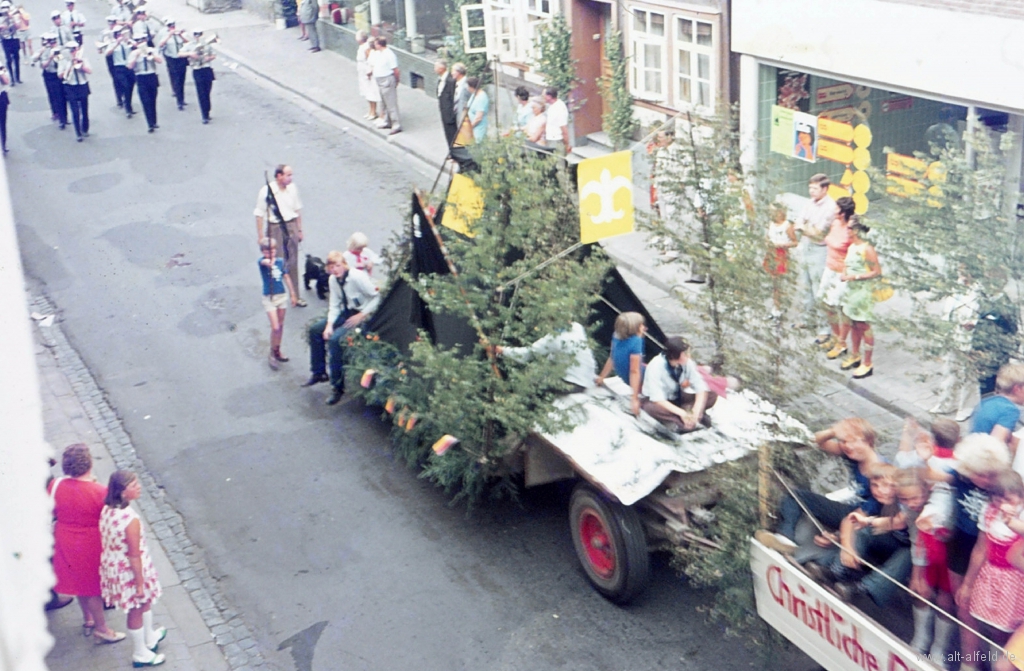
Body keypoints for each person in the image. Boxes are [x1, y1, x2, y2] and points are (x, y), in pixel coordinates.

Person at [919, 433, 1012, 670]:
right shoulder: (960, 477)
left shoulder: (1003, 488)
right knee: (963, 605)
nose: (985, 479)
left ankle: (993, 662)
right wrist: (926, 458)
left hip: (992, 552)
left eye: (990, 473)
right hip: (961, 545)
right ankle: (969, 663)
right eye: (979, 474)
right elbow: (931, 475)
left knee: (996, 618)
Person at [757, 417, 883, 557]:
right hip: (851, 510)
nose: (848, 446)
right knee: (795, 497)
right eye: (844, 441)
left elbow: (864, 514)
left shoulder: (879, 473)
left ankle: (788, 539)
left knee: (796, 496)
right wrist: (833, 431)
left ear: (869, 441)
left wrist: (837, 536)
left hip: (866, 521)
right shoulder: (855, 455)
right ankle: (786, 539)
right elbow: (815, 441)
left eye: (853, 441)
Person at [49, 444, 125, 644]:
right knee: (93, 589)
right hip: (90, 543)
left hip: (64, 539)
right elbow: (111, 519)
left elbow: (52, 511)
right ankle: (102, 629)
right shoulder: (100, 491)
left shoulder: (55, 485)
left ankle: (88, 619)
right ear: (89, 464)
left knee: (79, 584)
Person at [959, 470, 1024, 671]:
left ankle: (1001, 664)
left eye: (1008, 498)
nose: (1001, 502)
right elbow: (980, 549)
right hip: (990, 575)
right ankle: (988, 663)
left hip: (1015, 581)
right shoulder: (989, 512)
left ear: (1020, 497)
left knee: (1005, 630)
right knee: (988, 623)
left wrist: (1011, 520)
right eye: (997, 497)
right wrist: (968, 584)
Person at [100, 470, 166, 667]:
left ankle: (149, 637)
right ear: (122, 492)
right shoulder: (130, 520)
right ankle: (140, 653)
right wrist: (139, 583)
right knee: (136, 609)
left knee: (145, 604)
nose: (139, 487)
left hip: (115, 565)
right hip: (129, 571)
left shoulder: (107, 509)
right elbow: (134, 554)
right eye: (133, 485)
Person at [305, 251, 380, 405]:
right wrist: (329, 325)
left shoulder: (357, 277)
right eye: (332, 267)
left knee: (335, 340)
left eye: (338, 265)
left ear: (344, 265)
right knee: (315, 330)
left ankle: (337, 387)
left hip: (360, 314)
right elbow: (334, 303)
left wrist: (362, 315)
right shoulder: (333, 280)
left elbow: (377, 297)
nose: (335, 270)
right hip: (344, 312)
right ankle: (319, 372)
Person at [639, 336, 717, 434]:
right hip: (657, 401)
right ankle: (677, 421)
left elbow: (700, 387)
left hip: (676, 396)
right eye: (685, 353)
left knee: (712, 395)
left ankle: (689, 416)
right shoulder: (656, 366)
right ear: (676, 354)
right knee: (651, 408)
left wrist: (696, 410)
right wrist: (682, 413)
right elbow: (658, 399)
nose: (689, 356)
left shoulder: (687, 363)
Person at [931, 272, 981, 421]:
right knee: (949, 370)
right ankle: (946, 403)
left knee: (967, 373)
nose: (963, 274)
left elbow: (983, 315)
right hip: (951, 335)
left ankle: (966, 407)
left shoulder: (979, 292)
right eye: (960, 270)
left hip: (968, 337)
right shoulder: (955, 286)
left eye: (966, 271)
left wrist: (974, 324)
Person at [254, 164, 307, 306]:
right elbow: (259, 214)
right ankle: (276, 295)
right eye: (288, 175)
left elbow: (297, 210)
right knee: (277, 262)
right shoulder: (267, 191)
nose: (291, 178)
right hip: (275, 227)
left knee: (293, 261)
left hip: (291, 226)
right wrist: (261, 237)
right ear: (279, 176)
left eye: (291, 175)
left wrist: (299, 230)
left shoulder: (293, 189)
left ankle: (295, 295)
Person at [496, 322, 597, 394]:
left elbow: (527, 355)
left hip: (573, 383)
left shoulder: (554, 338)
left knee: (533, 386)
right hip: (588, 379)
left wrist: (501, 350)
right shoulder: (577, 327)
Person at [793, 174, 837, 338]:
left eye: (815, 188)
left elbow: (819, 233)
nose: (811, 191)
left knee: (819, 289)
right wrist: (806, 228)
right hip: (807, 246)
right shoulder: (809, 203)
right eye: (810, 188)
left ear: (825, 189)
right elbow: (799, 222)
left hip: (820, 250)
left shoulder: (831, 207)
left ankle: (824, 328)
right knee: (805, 286)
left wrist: (805, 227)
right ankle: (807, 319)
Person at [838, 216, 881, 379]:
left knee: (863, 325)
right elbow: (847, 265)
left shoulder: (867, 249)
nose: (847, 231)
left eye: (849, 228)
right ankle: (855, 354)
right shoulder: (852, 247)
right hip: (851, 292)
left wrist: (854, 277)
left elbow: (875, 271)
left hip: (862, 291)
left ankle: (868, 362)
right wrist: (844, 273)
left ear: (856, 230)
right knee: (853, 323)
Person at [818, 195, 856, 361]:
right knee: (825, 303)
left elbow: (856, 253)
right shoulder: (834, 224)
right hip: (829, 267)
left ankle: (842, 342)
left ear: (843, 213)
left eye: (837, 209)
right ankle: (835, 335)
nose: (834, 211)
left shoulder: (850, 230)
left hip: (842, 272)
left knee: (841, 307)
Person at [595, 311, 646, 416]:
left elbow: (612, 358)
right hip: (639, 380)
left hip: (624, 374)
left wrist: (601, 377)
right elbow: (634, 371)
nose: (644, 327)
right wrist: (634, 398)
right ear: (634, 328)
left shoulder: (616, 336)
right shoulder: (636, 341)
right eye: (641, 325)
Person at [258, 237, 298, 369]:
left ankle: (277, 349)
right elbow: (264, 263)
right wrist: (268, 262)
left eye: (273, 250)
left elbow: (286, 277)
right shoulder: (262, 262)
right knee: (275, 327)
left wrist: (293, 294)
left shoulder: (281, 262)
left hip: (281, 296)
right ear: (263, 252)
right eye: (267, 251)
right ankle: (271, 352)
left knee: (280, 326)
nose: (271, 253)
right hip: (269, 297)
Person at [971, 363, 1024, 455]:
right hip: (984, 458)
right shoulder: (1010, 410)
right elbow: (996, 444)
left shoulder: (986, 401)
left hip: (971, 451)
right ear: (1017, 389)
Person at [765, 203, 797, 311]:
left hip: (781, 253)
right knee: (773, 281)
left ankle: (780, 305)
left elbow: (795, 242)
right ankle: (776, 305)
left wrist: (781, 245)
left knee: (779, 281)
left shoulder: (787, 225)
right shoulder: (771, 224)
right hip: (771, 252)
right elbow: (768, 237)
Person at [128, 36, 161, 133]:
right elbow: (129, 66)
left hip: (152, 75)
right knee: (145, 100)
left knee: (152, 100)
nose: (140, 42)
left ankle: (154, 121)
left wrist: (151, 55)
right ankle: (150, 124)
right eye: (138, 41)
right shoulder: (133, 53)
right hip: (141, 76)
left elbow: (159, 61)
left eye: (142, 40)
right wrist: (136, 56)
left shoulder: (152, 50)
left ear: (145, 41)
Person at [59, 41, 90, 142]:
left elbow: (90, 71)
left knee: (84, 109)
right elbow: (60, 75)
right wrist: (70, 65)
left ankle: (85, 128)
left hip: (82, 84)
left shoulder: (82, 58)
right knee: (75, 110)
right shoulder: (62, 60)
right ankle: (78, 133)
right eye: (72, 50)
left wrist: (81, 65)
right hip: (70, 86)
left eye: (75, 49)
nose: (74, 52)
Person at [368, 37, 400, 135]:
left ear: (379, 45)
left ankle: (396, 124)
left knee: (391, 103)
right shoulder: (378, 53)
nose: (374, 45)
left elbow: (396, 70)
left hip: (387, 79)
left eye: (375, 44)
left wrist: (396, 80)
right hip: (380, 80)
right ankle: (387, 121)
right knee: (384, 102)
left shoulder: (389, 54)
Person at [184, 28, 215, 124]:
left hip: (207, 68)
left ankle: (207, 110)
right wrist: (190, 54)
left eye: (200, 34)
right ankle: (204, 115)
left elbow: (213, 55)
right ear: (193, 35)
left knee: (207, 91)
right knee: (201, 92)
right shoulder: (189, 45)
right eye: (196, 34)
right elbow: (180, 53)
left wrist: (208, 58)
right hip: (197, 69)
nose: (198, 36)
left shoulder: (206, 44)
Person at [157, 17, 188, 110]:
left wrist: (180, 35)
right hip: (172, 59)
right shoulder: (164, 34)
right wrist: (169, 35)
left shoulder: (179, 33)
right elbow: (161, 44)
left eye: (173, 25)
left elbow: (187, 42)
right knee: (177, 79)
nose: (172, 27)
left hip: (181, 58)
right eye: (170, 26)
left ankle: (182, 98)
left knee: (182, 79)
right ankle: (179, 101)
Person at [36, 32, 66, 127]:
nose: (52, 44)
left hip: (59, 74)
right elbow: (43, 65)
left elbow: (62, 61)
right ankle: (57, 114)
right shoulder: (44, 51)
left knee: (62, 97)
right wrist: (50, 58)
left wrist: (57, 54)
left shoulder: (59, 49)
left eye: (54, 41)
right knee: (53, 95)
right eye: (50, 42)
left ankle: (64, 117)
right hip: (49, 74)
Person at [106, 25, 135, 118]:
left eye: (121, 34)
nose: (120, 36)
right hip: (119, 67)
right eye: (118, 34)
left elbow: (136, 47)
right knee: (125, 86)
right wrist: (116, 44)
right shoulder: (112, 43)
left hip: (129, 66)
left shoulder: (128, 42)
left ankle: (128, 104)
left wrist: (129, 41)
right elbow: (108, 53)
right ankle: (127, 108)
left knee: (130, 87)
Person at [97, 15, 122, 107]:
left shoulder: (120, 31)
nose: (112, 25)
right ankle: (119, 98)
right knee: (115, 78)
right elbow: (99, 47)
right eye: (110, 23)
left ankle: (124, 95)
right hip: (110, 56)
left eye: (113, 23)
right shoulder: (104, 33)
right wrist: (101, 47)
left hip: (120, 55)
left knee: (122, 76)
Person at [355, 31, 378, 121]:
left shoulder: (366, 48)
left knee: (370, 92)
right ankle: (371, 111)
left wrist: (369, 72)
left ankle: (373, 111)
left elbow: (370, 60)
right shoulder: (363, 47)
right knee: (366, 92)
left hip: (366, 72)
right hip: (362, 72)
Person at [434, 58, 456, 148]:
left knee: (452, 134)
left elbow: (453, 97)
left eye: (435, 67)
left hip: (450, 113)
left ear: (441, 68)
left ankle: (455, 153)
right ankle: (451, 151)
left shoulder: (450, 81)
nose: (434, 69)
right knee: (447, 133)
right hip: (444, 112)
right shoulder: (440, 79)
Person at [543, 87, 570, 154]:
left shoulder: (559, 108)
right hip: (550, 139)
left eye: (544, 95)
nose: (543, 97)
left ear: (549, 96)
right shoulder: (551, 106)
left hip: (556, 141)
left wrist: (567, 144)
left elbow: (564, 128)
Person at [0, 2, 20, 86]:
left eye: (6, 7)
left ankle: (17, 77)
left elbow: (18, 26)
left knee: (16, 58)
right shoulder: (0, 18)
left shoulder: (14, 15)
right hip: (5, 40)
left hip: (14, 38)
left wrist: (12, 18)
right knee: (8, 60)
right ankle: (11, 78)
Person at [465, 76, 488, 142]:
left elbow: (479, 118)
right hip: (472, 128)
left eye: (468, 86)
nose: (467, 88)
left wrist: (469, 128)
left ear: (472, 87)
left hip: (478, 130)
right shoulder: (474, 94)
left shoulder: (481, 98)